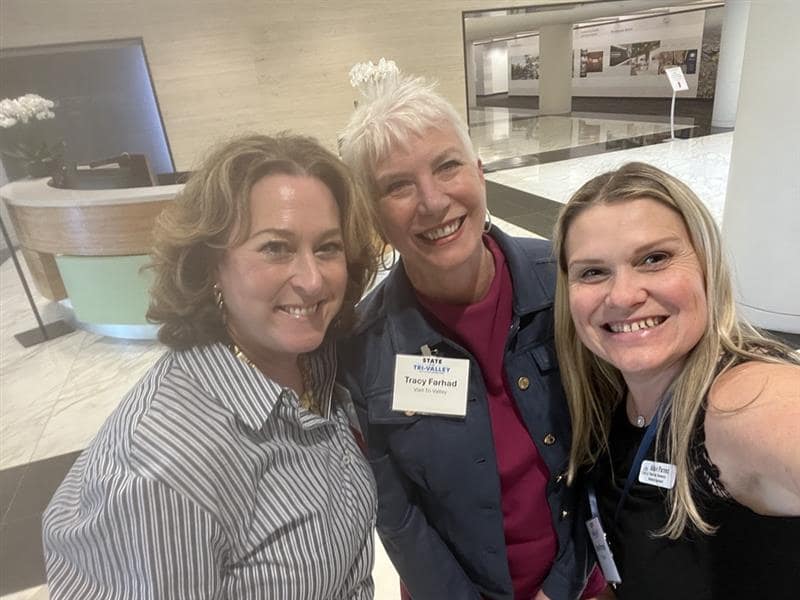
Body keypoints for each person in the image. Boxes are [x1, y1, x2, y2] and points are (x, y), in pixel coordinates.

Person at [42, 133, 380, 599]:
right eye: (275, 248)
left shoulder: (317, 366)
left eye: (327, 247)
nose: (311, 279)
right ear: (211, 265)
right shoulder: (162, 474)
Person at [337, 76, 605, 600]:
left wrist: (560, 588)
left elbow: (606, 446)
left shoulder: (566, 283)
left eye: (447, 166)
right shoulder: (364, 346)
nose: (432, 201)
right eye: (398, 186)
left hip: (579, 582)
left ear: (479, 173)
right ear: (373, 214)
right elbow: (396, 513)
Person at [552, 161, 800, 599]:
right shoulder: (615, 400)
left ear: (706, 264)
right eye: (592, 272)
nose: (623, 296)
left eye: (654, 259)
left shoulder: (740, 402)